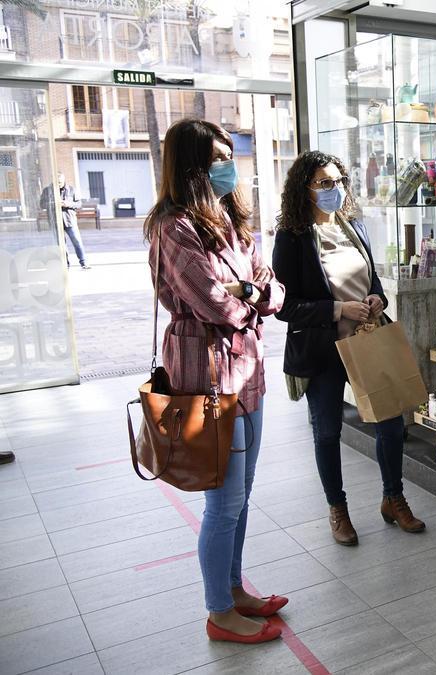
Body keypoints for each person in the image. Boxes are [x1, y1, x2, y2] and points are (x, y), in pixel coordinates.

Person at [145, 119, 287, 644]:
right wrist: (250, 297)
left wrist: (247, 291)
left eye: (230, 155)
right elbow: (214, 303)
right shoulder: (174, 226)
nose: (229, 166)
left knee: (242, 496)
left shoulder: (230, 220)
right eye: (218, 158)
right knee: (223, 502)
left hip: (248, 374)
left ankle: (234, 589)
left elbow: (274, 291)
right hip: (204, 378)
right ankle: (218, 610)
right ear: (192, 167)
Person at [272, 150, 425, 547]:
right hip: (322, 350)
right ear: (303, 189)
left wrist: (377, 300)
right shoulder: (292, 237)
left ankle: (394, 498)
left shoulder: (353, 225)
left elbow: (371, 281)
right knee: (327, 431)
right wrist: (339, 308)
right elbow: (284, 307)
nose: (334, 190)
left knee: (390, 426)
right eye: (324, 183)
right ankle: (337, 510)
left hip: (367, 341)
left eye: (339, 181)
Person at [51, 174, 90, 269]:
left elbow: (79, 204)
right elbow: (42, 204)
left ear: (63, 180)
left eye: (60, 182)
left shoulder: (72, 189)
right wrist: (53, 203)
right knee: (61, 244)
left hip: (69, 220)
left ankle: (83, 262)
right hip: (56, 221)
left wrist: (68, 204)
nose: (58, 184)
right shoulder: (48, 190)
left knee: (77, 241)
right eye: (56, 182)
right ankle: (65, 264)